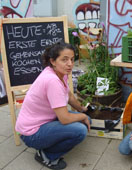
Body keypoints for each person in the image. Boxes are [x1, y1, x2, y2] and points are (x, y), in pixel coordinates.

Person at [15, 42, 91, 170]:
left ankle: (49, 144)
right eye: (64, 59)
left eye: (72, 59)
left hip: (44, 121)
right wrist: (82, 115)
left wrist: (82, 110)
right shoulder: (52, 80)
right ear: (53, 61)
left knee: (86, 120)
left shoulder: (59, 73)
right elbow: (64, 119)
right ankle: (46, 155)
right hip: (31, 133)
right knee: (80, 130)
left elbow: (70, 96)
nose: (70, 64)